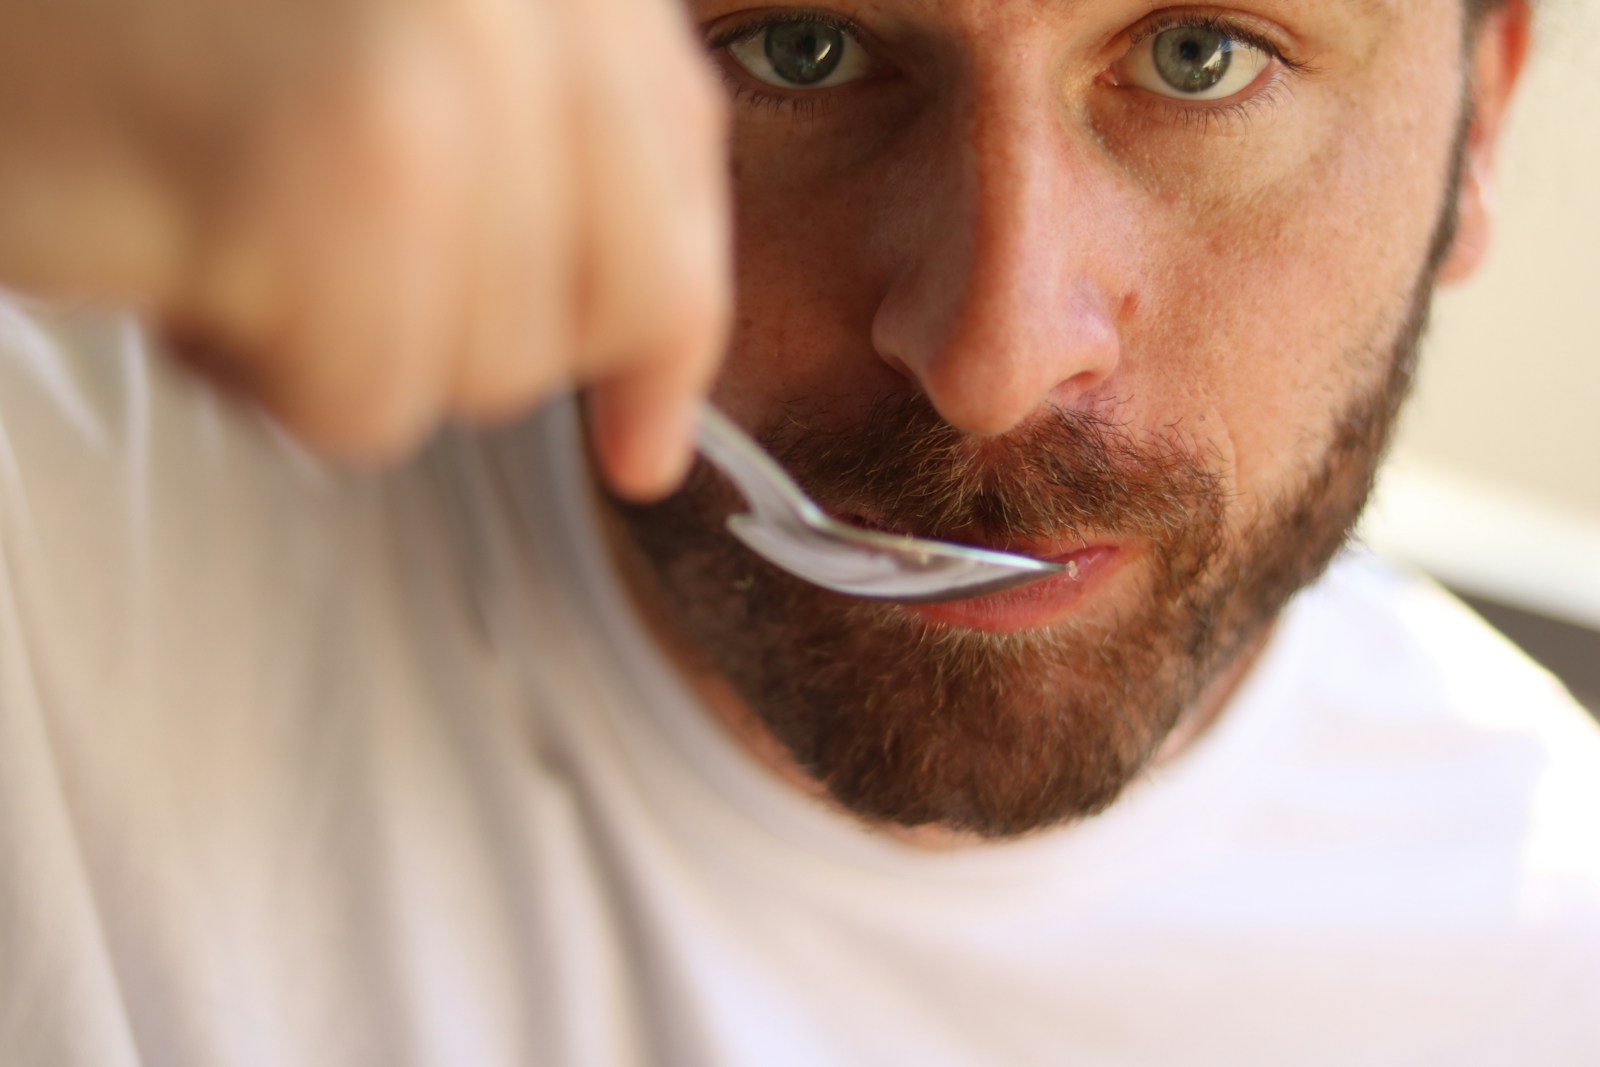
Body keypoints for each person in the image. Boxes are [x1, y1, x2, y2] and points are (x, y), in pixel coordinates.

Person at [1, 0, 1596, 1062]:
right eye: (805, 46)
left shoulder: (1546, 973)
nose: (988, 359)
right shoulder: (65, 541)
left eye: (1200, 57)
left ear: (1479, 118)